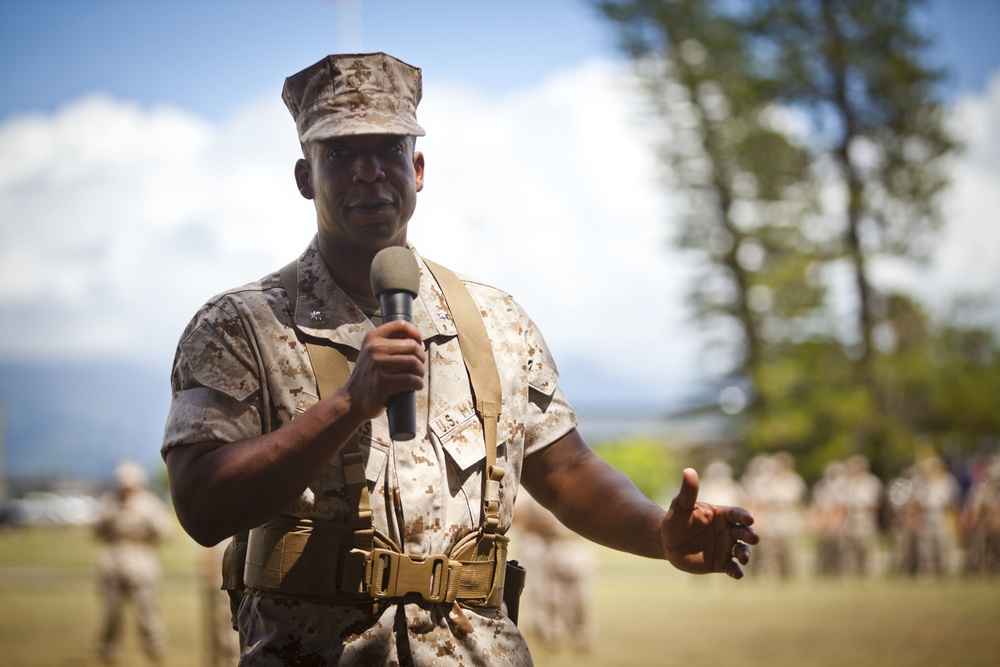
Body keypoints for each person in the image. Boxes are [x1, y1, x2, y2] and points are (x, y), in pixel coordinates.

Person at [162, 52, 758, 666]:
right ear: (303, 177)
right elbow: (203, 506)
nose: (369, 172)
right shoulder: (239, 326)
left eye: (389, 150)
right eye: (339, 154)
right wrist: (346, 405)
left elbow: (569, 473)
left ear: (417, 169)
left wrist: (657, 533)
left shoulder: (496, 321)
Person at [93, 460, 172, 664]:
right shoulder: (109, 502)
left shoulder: (149, 503)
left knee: (147, 611)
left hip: (141, 559)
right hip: (113, 559)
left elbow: (165, 531)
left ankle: (155, 649)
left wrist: (148, 534)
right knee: (112, 613)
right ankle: (108, 650)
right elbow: (96, 530)